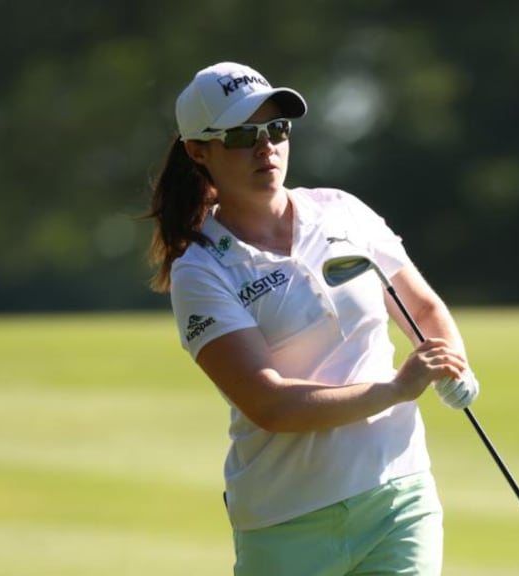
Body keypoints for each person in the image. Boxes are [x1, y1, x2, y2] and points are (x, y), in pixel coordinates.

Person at [147, 61, 480, 576]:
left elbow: (421, 307)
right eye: (241, 136)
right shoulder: (202, 269)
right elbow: (270, 404)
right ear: (198, 151)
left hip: (398, 493)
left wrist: (453, 362)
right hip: (286, 521)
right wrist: (395, 390)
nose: (266, 147)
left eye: (277, 129)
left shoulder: (341, 211)